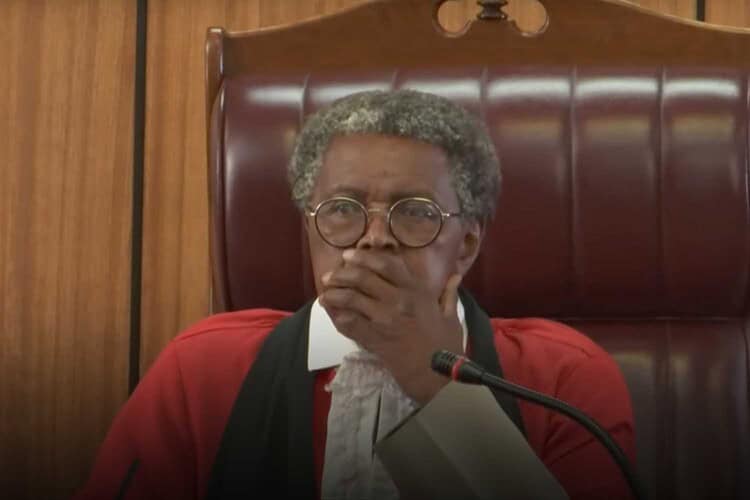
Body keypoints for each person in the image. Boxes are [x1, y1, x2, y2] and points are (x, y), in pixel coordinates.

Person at [75, 90, 635, 500]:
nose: (374, 237)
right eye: (342, 209)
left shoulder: (562, 377)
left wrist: (429, 376)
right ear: (309, 230)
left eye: (414, 212)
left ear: (466, 245)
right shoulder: (203, 369)